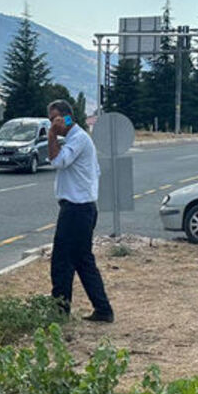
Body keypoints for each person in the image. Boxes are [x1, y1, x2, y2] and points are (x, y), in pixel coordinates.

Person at [46, 99, 114, 323]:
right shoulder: (78, 139)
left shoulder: (78, 139)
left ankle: (60, 312)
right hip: (82, 208)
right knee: (83, 261)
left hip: (77, 209)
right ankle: (103, 309)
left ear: (66, 117)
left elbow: (58, 162)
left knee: (62, 262)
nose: (52, 123)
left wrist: (52, 136)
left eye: (55, 118)